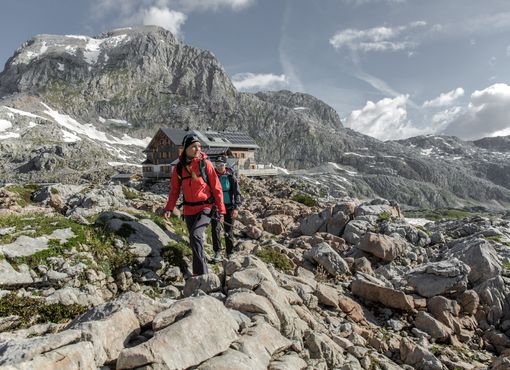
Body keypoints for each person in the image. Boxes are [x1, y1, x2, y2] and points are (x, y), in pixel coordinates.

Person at [163, 134, 226, 276]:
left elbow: (216, 188)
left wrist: (221, 211)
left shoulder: (206, 164)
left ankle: (201, 275)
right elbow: (174, 190)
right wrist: (168, 208)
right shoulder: (179, 168)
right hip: (189, 210)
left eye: (199, 146)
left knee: (196, 235)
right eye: (194, 146)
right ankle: (200, 270)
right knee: (194, 240)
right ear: (185, 148)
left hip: (206, 208)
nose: (198, 149)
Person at [211, 155, 242, 262]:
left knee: (229, 229)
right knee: (215, 229)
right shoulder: (211, 176)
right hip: (216, 207)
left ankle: (230, 252)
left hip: (229, 206)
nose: (219, 167)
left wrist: (236, 208)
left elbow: (237, 193)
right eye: (217, 165)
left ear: (225, 165)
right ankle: (217, 252)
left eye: (222, 165)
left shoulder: (231, 176)